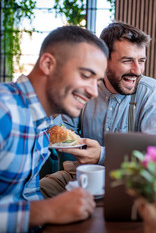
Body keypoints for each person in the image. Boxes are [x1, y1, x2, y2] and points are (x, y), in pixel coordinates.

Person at [40, 21, 156, 197]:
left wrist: (101, 155)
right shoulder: (86, 86)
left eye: (141, 61)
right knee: (33, 195)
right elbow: (63, 131)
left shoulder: (150, 92)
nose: (137, 70)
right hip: (81, 175)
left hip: (132, 181)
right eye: (127, 61)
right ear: (105, 60)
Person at [0, 25, 108, 232]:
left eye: (98, 81)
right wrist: (48, 210)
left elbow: (24, 195)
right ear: (48, 64)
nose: (94, 92)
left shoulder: (45, 122)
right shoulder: (5, 110)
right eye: (86, 75)